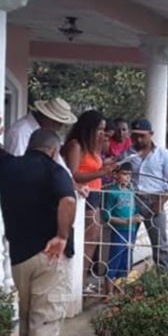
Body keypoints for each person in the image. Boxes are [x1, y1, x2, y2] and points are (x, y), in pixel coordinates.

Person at [0, 112, 76, 336]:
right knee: (45, 319)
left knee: (26, 315)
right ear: (54, 150)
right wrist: (61, 236)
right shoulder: (55, 171)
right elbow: (68, 200)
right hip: (50, 256)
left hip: (19, 256)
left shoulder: (9, 165)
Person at [62, 110, 116, 281]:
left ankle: (82, 279)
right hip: (82, 195)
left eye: (104, 129)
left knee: (92, 239)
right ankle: (75, 280)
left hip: (95, 195)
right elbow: (74, 174)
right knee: (85, 239)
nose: (102, 133)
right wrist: (100, 173)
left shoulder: (92, 148)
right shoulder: (76, 145)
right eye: (99, 129)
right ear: (89, 128)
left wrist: (105, 166)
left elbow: (92, 167)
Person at [120, 119, 168, 270]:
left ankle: (164, 281)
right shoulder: (127, 154)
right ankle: (123, 278)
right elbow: (119, 175)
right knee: (126, 242)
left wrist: (159, 203)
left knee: (160, 244)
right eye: (135, 136)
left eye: (142, 136)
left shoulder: (163, 155)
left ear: (151, 134)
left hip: (155, 200)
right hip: (131, 200)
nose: (138, 139)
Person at [102, 162, 143, 288]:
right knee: (115, 258)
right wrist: (125, 221)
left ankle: (120, 289)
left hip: (131, 230)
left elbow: (134, 209)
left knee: (125, 260)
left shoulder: (130, 191)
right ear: (116, 175)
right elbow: (106, 215)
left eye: (129, 175)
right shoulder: (111, 192)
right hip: (118, 230)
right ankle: (108, 292)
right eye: (124, 174)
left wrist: (137, 218)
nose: (127, 177)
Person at [4, 98, 77, 158]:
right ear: (47, 117)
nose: (58, 128)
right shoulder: (21, 132)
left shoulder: (44, 133)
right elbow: (17, 166)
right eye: (57, 123)